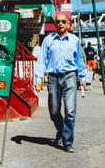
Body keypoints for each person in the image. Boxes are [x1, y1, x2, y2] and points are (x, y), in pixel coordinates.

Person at [34, 13, 88, 153]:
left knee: (70, 111)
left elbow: (79, 61)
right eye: (58, 21)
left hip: (70, 77)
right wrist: (38, 78)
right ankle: (63, 130)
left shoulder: (74, 40)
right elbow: (41, 60)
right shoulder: (48, 40)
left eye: (63, 21)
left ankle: (67, 142)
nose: (61, 24)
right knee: (54, 112)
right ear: (55, 23)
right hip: (52, 78)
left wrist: (83, 78)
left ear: (68, 23)